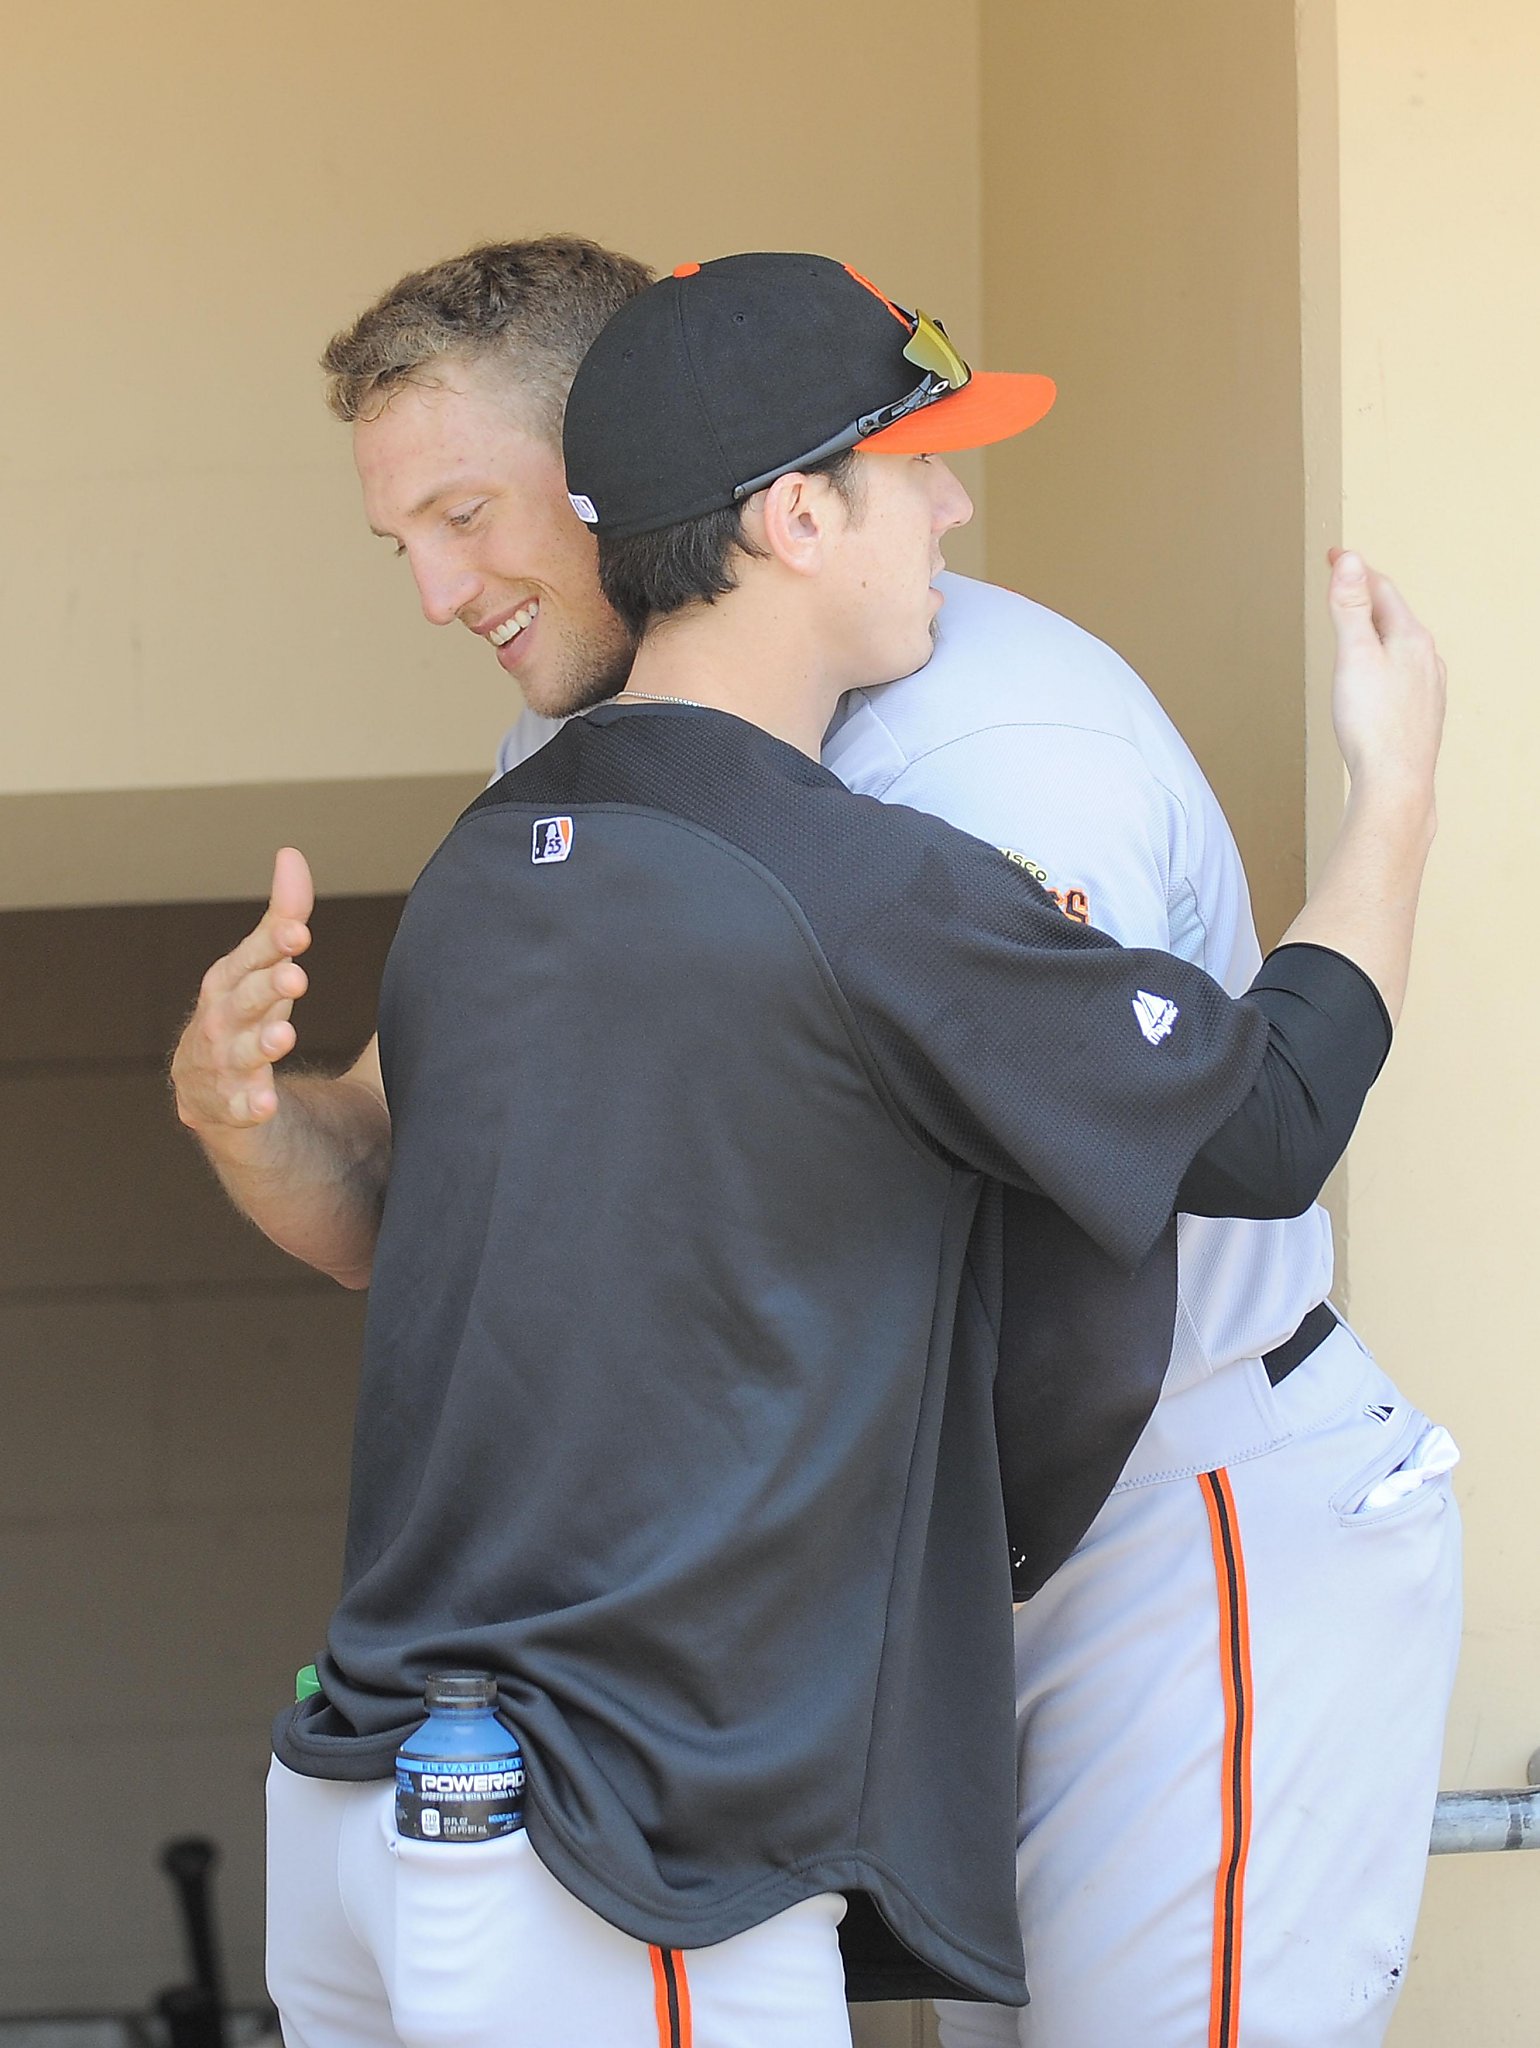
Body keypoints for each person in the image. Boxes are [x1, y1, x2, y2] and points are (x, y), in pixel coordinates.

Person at [171, 240, 1457, 2048]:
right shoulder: (572, 804)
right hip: (780, 1649)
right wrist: (242, 1118)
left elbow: (1147, 1219)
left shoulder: (974, 734)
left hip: (1152, 1513)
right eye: (411, 541)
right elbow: (408, 1195)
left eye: (468, 514)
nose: (445, 589)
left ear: (614, 468)